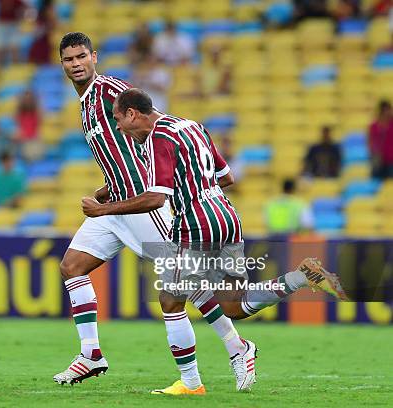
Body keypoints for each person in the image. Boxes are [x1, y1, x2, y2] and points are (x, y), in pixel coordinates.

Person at [80, 88, 348, 391]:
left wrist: (103, 210)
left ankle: (191, 383)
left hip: (195, 224)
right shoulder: (192, 126)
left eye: (117, 119)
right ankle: (299, 278)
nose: (117, 127)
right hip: (227, 218)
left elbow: (156, 199)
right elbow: (227, 176)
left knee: (170, 300)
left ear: (132, 114)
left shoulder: (158, 138)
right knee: (235, 305)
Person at [54, 32, 251, 394]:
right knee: (71, 267)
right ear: (62, 64)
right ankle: (91, 353)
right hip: (113, 204)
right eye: (69, 59)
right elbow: (119, 157)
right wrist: (104, 191)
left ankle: (236, 347)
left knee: (182, 287)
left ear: (94, 57)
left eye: (82, 56)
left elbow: (149, 116)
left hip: (142, 204)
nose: (76, 64)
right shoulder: (84, 105)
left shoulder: (109, 90)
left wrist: (167, 170)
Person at [368, 100, 393, 179]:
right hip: (378, 160)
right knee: (376, 184)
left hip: (391, 160)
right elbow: (371, 142)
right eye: (386, 110)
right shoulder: (374, 126)